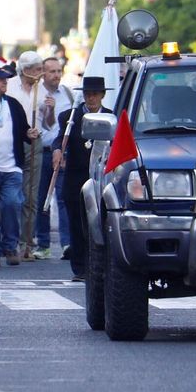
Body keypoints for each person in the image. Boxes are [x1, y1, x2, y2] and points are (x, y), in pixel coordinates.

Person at [53, 76, 110, 281]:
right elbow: (60, 138)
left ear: (102, 95)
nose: (91, 98)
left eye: (95, 94)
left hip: (101, 178)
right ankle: (80, 268)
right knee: (77, 224)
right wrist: (58, 150)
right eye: (87, 94)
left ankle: (101, 266)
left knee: (101, 223)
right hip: (76, 176)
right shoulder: (70, 117)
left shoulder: (112, 117)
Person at [0, 66, 31, 266]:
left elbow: (24, 129)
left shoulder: (13, 104)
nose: (5, 83)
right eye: (1, 80)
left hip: (11, 165)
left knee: (11, 203)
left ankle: (11, 245)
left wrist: (30, 134)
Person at [34, 56, 74, 259]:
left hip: (63, 153)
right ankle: (42, 243)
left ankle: (67, 243)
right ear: (43, 73)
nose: (57, 75)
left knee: (63, 197)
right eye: (52, 71)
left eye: (59, 71)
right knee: (42, 198)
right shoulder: (36, 93)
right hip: (42, 151)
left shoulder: (68, 94)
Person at [8, 51, 46, 259]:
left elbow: (48, 123)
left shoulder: (42, 89)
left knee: (31, 196)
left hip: (35, 142)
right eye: (36, 69)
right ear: (24, 70)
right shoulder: (11, 86)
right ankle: (10, 241)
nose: (39, 73)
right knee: (13, 195)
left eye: (40, 69)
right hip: (13, 143)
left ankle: (27, 243)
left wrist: (49, 111)